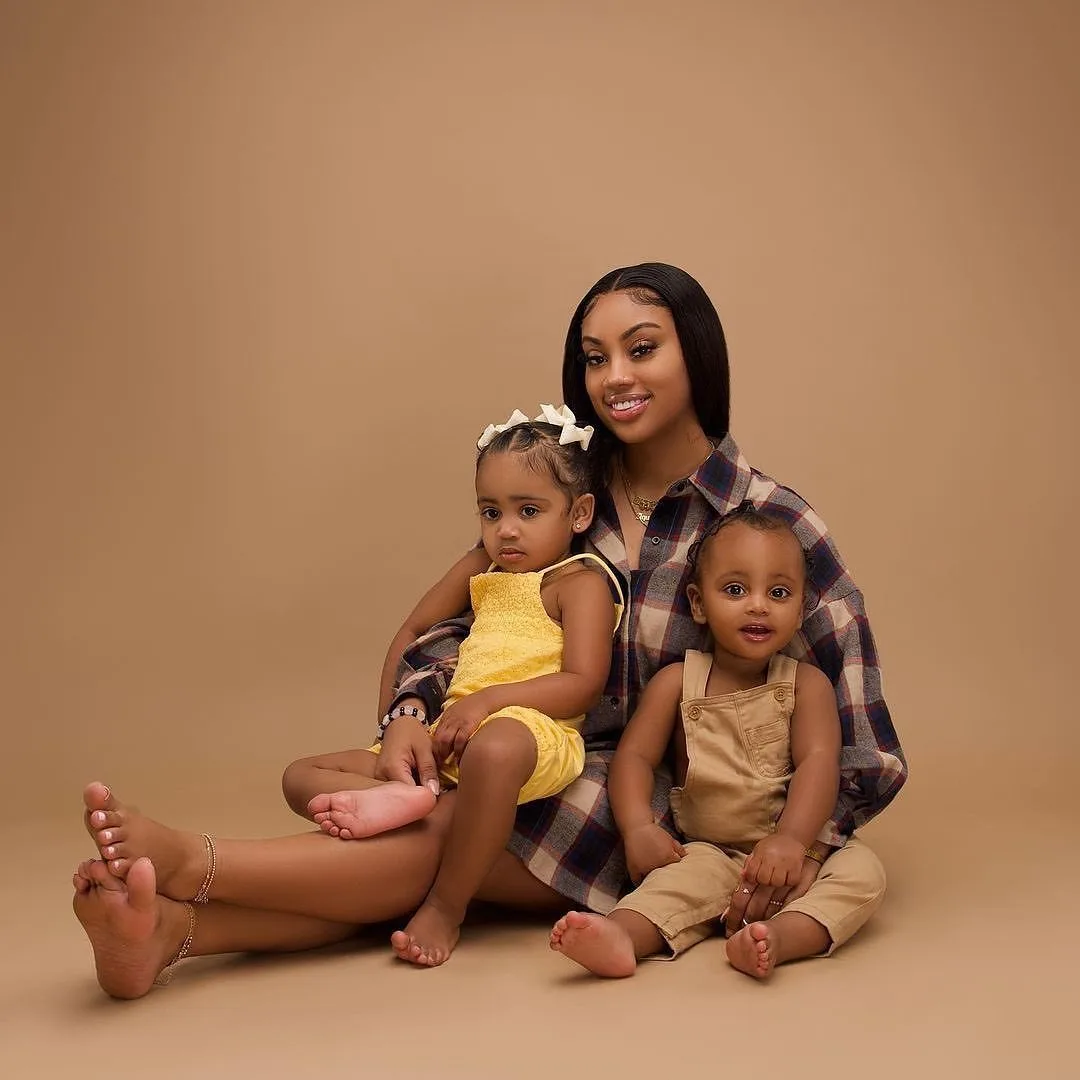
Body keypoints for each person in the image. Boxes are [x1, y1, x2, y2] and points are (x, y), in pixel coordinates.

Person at [73, 262, 906, 999]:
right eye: (595, 357)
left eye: (643, 348)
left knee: (435, 834)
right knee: (435, 828)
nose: (615, 375)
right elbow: (464, 625)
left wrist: (788, 849)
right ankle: (173, 933)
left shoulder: (769, 525)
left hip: (656, 819)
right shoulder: (559, 492)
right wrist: (410, 713)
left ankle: (198, 865)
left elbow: (859, 741)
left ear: (698, 354)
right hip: (512, 752)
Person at [285, 410, 624, 965]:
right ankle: (407, 799)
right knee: (300, 774)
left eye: (529, 511)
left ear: (579, 513)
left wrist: (489, 702)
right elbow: (412, 631)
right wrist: (396, 727)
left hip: (529, 731)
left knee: (496, 747)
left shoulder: (579, 582)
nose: (506, 529)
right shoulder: (483, 567)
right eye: (491, 512)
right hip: (448, 733)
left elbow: (582, 684)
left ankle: (446, 905)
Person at [551, 508, 881, 978]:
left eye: (778, 593)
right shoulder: (676, 681)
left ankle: (779, 938)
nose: (758, 606)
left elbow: (819, 762)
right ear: (698, 602)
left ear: (801, 608)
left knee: (862, 873)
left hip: (787, 846)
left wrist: (792, 839)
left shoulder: (806, 685)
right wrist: (638, 827)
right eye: (735, 590)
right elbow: (635, 757)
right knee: (670, 886)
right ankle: (620, 936)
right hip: (706, 849)